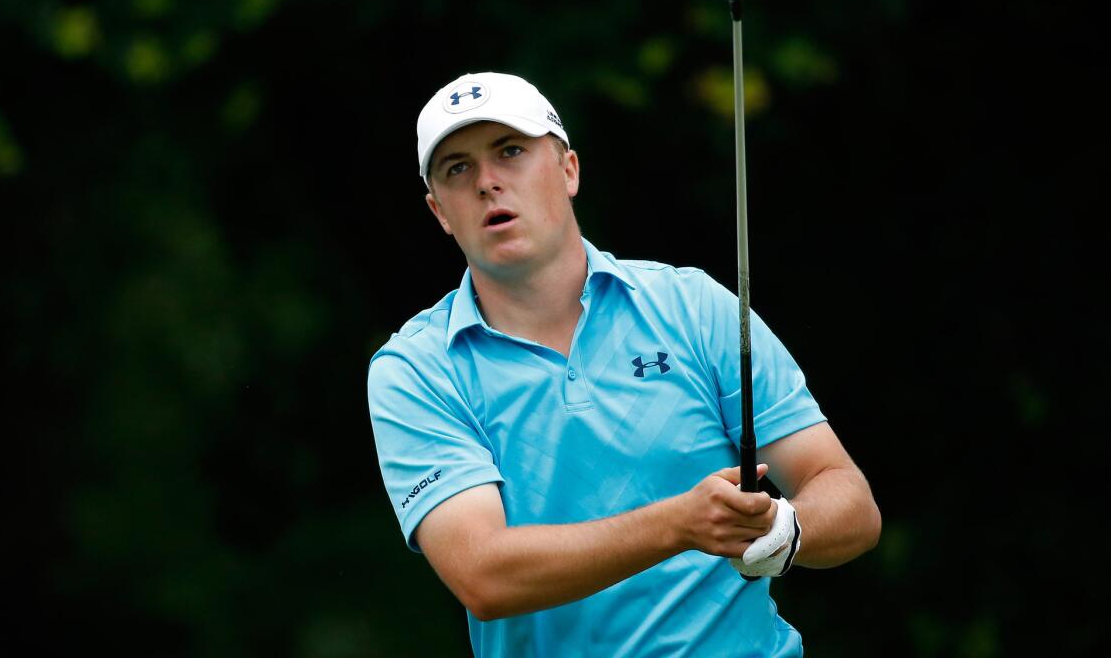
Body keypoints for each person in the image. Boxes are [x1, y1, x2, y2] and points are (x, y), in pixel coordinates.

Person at [367, 71, 881, 657]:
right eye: (458, 168)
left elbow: (848, 500)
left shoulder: (692, 307)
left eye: (510, 152)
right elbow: (484, 575)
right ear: (439, 211)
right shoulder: (415, 369)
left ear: (568, 171)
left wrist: (786, 529)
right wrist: (681, 524)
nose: (487, 182)